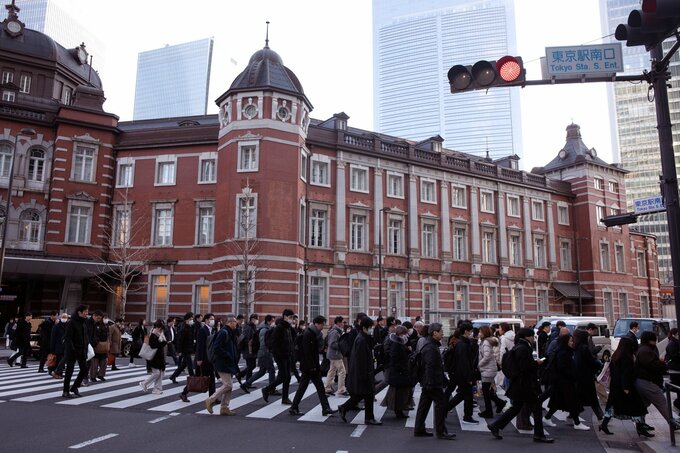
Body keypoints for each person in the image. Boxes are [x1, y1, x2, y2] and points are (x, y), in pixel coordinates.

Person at [487, 328, 553, 443]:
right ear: (527, 337)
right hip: (526, 385)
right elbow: (524, 367)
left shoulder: (519, 346)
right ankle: (539, 435)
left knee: (516, 407)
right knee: (536, 408)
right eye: (532, 336)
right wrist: (536, 363)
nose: (533, 339)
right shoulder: (523, 348)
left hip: (520, 384)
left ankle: (495, 425)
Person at [598, 337, 650, 437]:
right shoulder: (626, 357)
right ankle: (640, 428)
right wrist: (626, 387)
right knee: (638, 406)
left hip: (615, 386)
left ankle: (604, 424)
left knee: (612, 406)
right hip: (625, 387)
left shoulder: (616, 355)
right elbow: (625, 373)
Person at [412, 322, 454, 439]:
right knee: (440, 405)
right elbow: (430, 366)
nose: (443, 334)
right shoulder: (431, 347)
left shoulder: (429, 344)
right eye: (441, 331)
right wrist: (431, 382)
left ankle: (419, 429)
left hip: (428, 381)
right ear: (434, 333)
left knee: (424, 405)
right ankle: (441, 431)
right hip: (432, 381)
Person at [338, 316, 382, 426]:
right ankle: (368, 418)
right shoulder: (361, 340)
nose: (371, 329)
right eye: (370, 327)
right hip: (363, 373)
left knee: (363, 395)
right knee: (367, 394)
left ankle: (344, 408)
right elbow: (360, 359)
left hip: (363, 372)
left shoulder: (363, 338)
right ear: (364, 328)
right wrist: (364, 375)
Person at [289, 316, 336, 416]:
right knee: (314, 387)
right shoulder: (308, 334)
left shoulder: (313, 333)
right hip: (309, 367)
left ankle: (324, 408)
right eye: (322, 324)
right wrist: (312, 367)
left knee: (312, 387)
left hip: (311, 366)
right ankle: (325, 408)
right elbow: (307, 352)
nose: (323, 327)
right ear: (316, 324)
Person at [634, 330, 680, 430]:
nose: (655, 341)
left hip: (643, 381)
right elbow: (653, 365)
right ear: (650, 340)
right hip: (648, 382)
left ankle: (640, 424)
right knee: (662, 403)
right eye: (654, 339)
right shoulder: (646, 351)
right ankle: (673, 423)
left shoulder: (642, 349)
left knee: (644, 404)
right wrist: (662, 364)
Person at [543, 333, 588, 430]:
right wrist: (572, 374)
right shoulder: (563, 353)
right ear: (565, 342)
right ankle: (577, 423)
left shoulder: (565, 351)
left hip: (562, 382)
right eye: (570, 341)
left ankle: (547, 417)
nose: (572, 343)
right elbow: (562, 368)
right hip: (565, 382)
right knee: (573, 402)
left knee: (558, 401)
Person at [205, 315, 240, 416]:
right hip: (222, 362)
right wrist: (228, 355)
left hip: (228, 362)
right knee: (228, 385)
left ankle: (224, 407)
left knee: (229, 386)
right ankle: (211, 399)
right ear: (229, 322)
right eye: (234, 322)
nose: (236, 323)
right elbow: (217, 348)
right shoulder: (223, 332)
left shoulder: (230, 333)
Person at [179, 313, 215, 403]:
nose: (213, 321)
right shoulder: (202, 330)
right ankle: (184, 393)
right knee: (197, 378)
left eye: (213, 319)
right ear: (206, 320)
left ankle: (212, 397)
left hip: (209, 358)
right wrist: (199, 359)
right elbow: (200, 345)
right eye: (211, 319)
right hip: (202, 359)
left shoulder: (211, 330)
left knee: (211, 378)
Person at [261, 309, 295, 404]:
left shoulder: (288, 327)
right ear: (285, 317)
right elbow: (274, 343)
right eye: (290, 317)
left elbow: (291, 340)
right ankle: (267, 389)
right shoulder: (279, 328)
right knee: (283, 376)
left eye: (292, 317)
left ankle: (285, 398)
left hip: (288, 355)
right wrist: (278, 355)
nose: (292, 319)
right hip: (281, 356)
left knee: (287, 377)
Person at [447, 322, 478, 424]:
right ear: (466, 331)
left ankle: (445, 410)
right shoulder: (462, 344)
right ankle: (467, 416)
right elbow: (464, 363)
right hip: (463, 375)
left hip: (461, 374)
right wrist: (468, 378)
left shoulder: (462, 343)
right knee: (466, 395)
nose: (472, 333)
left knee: (463, 395)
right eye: (470, 331)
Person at [379, 325, 411, 419]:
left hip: (398, 371)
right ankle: (399, 410)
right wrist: (402, 369)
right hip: (398, 372)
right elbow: (395, 359)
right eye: (405, 334)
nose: (406, 336)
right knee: (398, 392)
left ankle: (400, 409)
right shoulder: (397, 344)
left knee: (399, 392)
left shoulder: (398, 343)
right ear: (400, 334)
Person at [241, 314, 277, 394]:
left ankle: (246, 384)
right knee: (271, 370)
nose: (273, 323)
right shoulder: (264, 330)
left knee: (262, 371)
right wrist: (267, 351)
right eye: (272, 321)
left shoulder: (266, 328)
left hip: (262, 353)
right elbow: (263, 343)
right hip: (264, 353)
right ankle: (271, 389)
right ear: (268, 321)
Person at [573, 328, 604, 420]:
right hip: (587, 376)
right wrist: (599, 365)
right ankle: (599, 415)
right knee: (592, 398)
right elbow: (591, 362)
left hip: (579, 376)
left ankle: (573, 414)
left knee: (579, 398)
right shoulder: (584, 348)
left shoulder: (576, 347)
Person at [477, 326, 506, 418]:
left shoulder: (486, 342)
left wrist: (479, 364)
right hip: (489, 368)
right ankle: (499, 403)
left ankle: (489, 411)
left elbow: (487, 356)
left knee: (485, 391)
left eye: (480, 332)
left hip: (488, 369)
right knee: (486, 390)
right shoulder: (486, 341)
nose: (479, 333)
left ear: (484, 333)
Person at [62, 305, 89, 398]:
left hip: (82, 350)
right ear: (79, 312)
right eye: (85, 312)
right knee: (69, 370)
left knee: (84, 369)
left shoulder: (83, 323)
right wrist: (72, 349)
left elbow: (85, 337)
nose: (86, 313)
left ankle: (74, 387)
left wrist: (86, 348)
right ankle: (65, 391)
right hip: (72, 350)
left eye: (87, 311)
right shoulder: (72, 323)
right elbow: (68, 338)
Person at [139, 319, 168, 395]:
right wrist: (163, 343)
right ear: (158, 327)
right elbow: (153, 345)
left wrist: (163, 341)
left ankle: (157, 389)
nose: (161, 330)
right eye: (161, 328)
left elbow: (162, 344)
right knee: (157, 373)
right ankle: (144, 383)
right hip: (154, 357)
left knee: (160, 373)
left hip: (159, 356)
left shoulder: (160, 334)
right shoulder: (153, 334)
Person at [324, 316, 348, 397]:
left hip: (333, 354)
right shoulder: (335, 332)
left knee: (332, 371)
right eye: (342, 322)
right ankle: (341, 390)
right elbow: (332, 343)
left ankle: (327, 388)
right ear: (338, 322)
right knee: (342, 371)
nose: (343, 324)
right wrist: (341, 346)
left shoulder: (336, 330)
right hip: (335, 355)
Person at [170, 313, 195, 383]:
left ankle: (173, 376)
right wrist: (179, 351)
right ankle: (193, 379)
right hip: (185, 349)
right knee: (190, 365)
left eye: (192, 319)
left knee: (183, 365)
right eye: (190, 319)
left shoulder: (190, 327)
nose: (192, 320)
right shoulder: (183, 328)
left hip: (189, 349)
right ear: (186, 320)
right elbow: (180, 341)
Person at [236, 313, 259, 385]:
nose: (257, 321)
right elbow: (246, 339)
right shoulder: (248, 327)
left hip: (252, 349)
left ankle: (243, 377)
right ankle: (247, 382)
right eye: (256, 319)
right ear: (252, 319)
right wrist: (251, 344)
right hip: (248, 350)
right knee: (250, 366)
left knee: (252, 366)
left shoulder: (252, 326)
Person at [89, 312, 110, 382]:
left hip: (104, 345)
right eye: (104, 318)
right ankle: (93, 376)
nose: (106, 319)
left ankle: (101, 375)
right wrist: (96, 342)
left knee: (104, 361)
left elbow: (108, 336)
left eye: (107, 318)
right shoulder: (97, 325)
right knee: (95, 362)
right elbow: (94, 335)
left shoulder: (107, 326)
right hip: (97, 345)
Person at [49, 313, 68, 377]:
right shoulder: (56, 326)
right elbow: (52, 338)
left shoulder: (68, 326)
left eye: (65, 317)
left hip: (65, 346)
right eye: (63, 317)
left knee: (62, 360)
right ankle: (57, 372)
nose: (64, 319)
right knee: (58, 360)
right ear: (60, 318)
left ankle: (59, 372)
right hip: (58, 346)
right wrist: (52, 348)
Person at [666, 328, 680, 410]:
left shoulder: (674, 343)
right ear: (673, 335)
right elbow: (674, 356)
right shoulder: (673, 344)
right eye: (677, 334)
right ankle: (677, 403)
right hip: (675, 369)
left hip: (675, 368)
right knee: (677, 386)